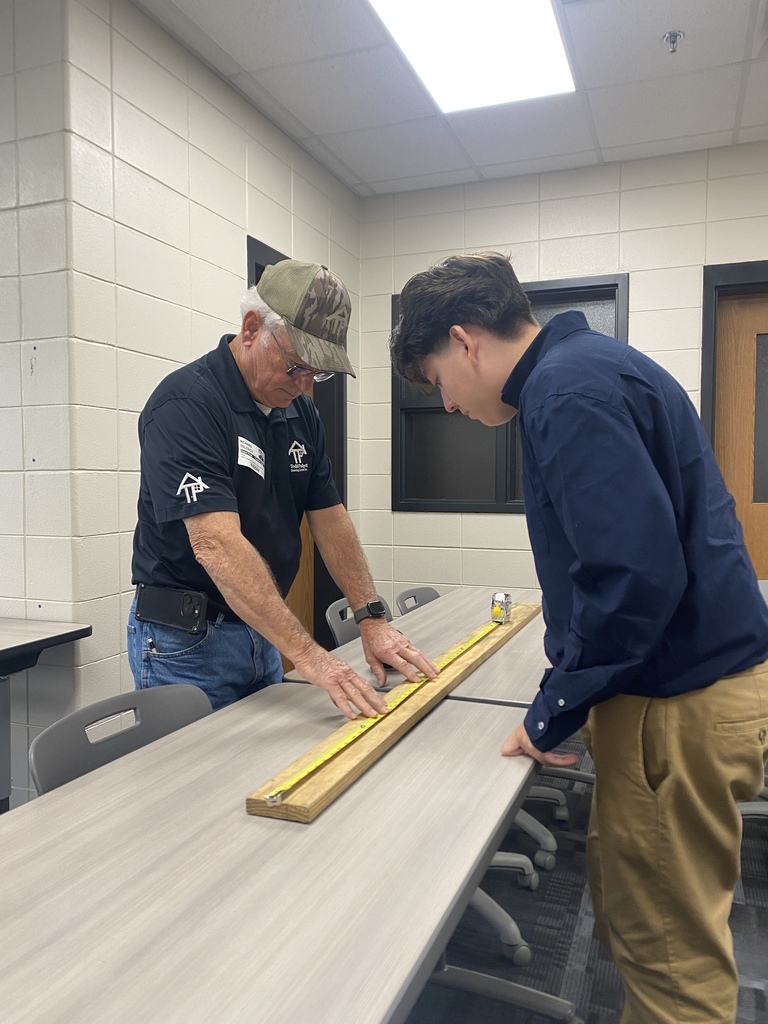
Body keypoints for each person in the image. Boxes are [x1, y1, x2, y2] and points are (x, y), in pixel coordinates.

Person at [389, 250, 768, 1024]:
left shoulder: (565, 391)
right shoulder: (594, 366)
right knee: (648, 924)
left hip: (678, 706)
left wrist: (549, 710)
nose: (449, 406)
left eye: (436, 382)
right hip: (687, 691)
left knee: (669, 962)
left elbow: (634, 578)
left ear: (464, 342)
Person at [128, 258, 437, 718]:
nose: (305, 384)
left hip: (260, 629)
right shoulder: (186, 405)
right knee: (201, 783)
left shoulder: (300, 413)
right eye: (296, 366)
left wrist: (371, 618)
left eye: (318, 373)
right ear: (251, 328)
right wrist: (313, 657)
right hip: (187, 644)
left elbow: (330, 519)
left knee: (267, 770)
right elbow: (215, 544)